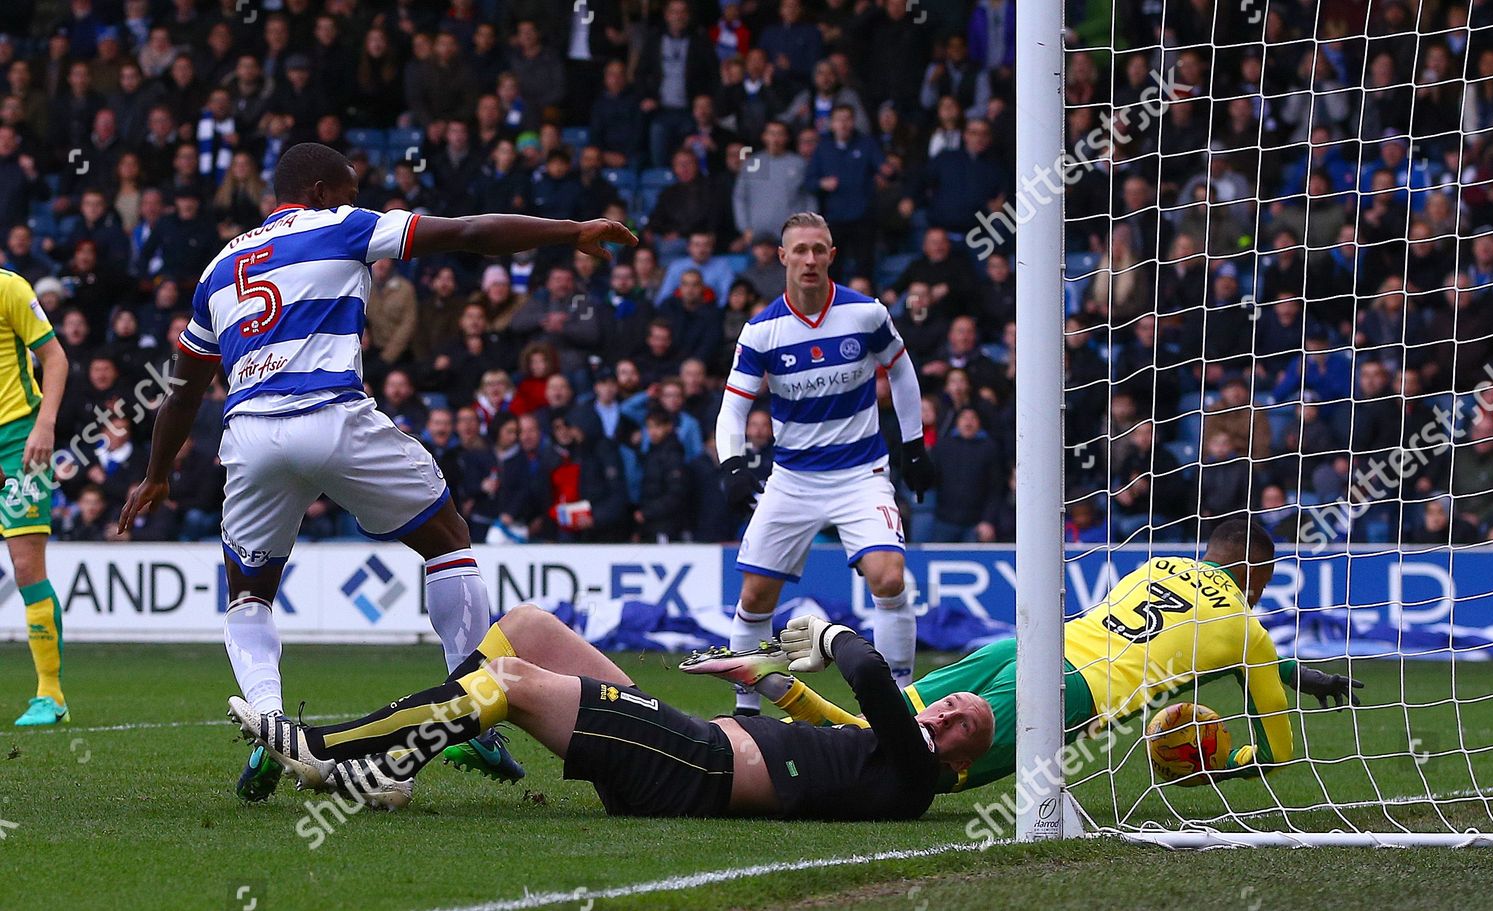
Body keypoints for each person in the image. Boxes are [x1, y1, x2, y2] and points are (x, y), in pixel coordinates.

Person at [117, 142, 636, 799]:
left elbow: (187, 386)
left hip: (248, 436)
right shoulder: (346, 225)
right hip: (332, 413)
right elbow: (470, 232)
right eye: (348, 188)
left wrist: (157, 471)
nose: (354, 198)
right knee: (448, 541)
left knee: (249, 594)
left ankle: (271, 724)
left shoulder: (217, 267)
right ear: (319, 188)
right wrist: (571, 230)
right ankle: (471, 704)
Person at [691, 518, 1365, 792]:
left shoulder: (1156, 564)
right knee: (909, 770)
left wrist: (1302, 675)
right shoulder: (1247, 629)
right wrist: (1227, 762)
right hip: (1071, 693)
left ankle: (769, 693)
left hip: (1029, 646)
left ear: (1206, 554)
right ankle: (776, 688)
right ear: (1262, 582)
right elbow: (1275, 749)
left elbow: (1192, 641)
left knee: (891, 720)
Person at [228, 604, 993, 819]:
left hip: (693, 766)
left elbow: (865, 672)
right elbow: (838, 720)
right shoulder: (883, 756)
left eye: (963, 722)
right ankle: (391, 765)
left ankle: (334, 747)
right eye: (953, 702)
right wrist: (766, 676)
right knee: (528, 627)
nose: (948, 711)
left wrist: (824, 631)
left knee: (515, 679)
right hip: (688, 747)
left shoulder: (920, 774)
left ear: (959, 758)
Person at [716, 211, 933, 714]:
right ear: (783, 257)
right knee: (754, 596)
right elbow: (733, 406)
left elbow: (902, 372)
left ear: (831, 255)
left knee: (889, 576)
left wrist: (915, 445)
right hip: (792, 478)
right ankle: (746, 714)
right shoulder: (761, 331)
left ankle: (900, 704)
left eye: (820, 249)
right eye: (801, 250)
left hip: (862, 474)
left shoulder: (866, 314)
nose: (810, 259)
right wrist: (731, 463)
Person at [0, 268, 69, 726]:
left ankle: (51, 695)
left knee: (26, 566)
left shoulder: (9, 287)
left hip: (18, 435)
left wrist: (44, 425)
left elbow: (55, 358)